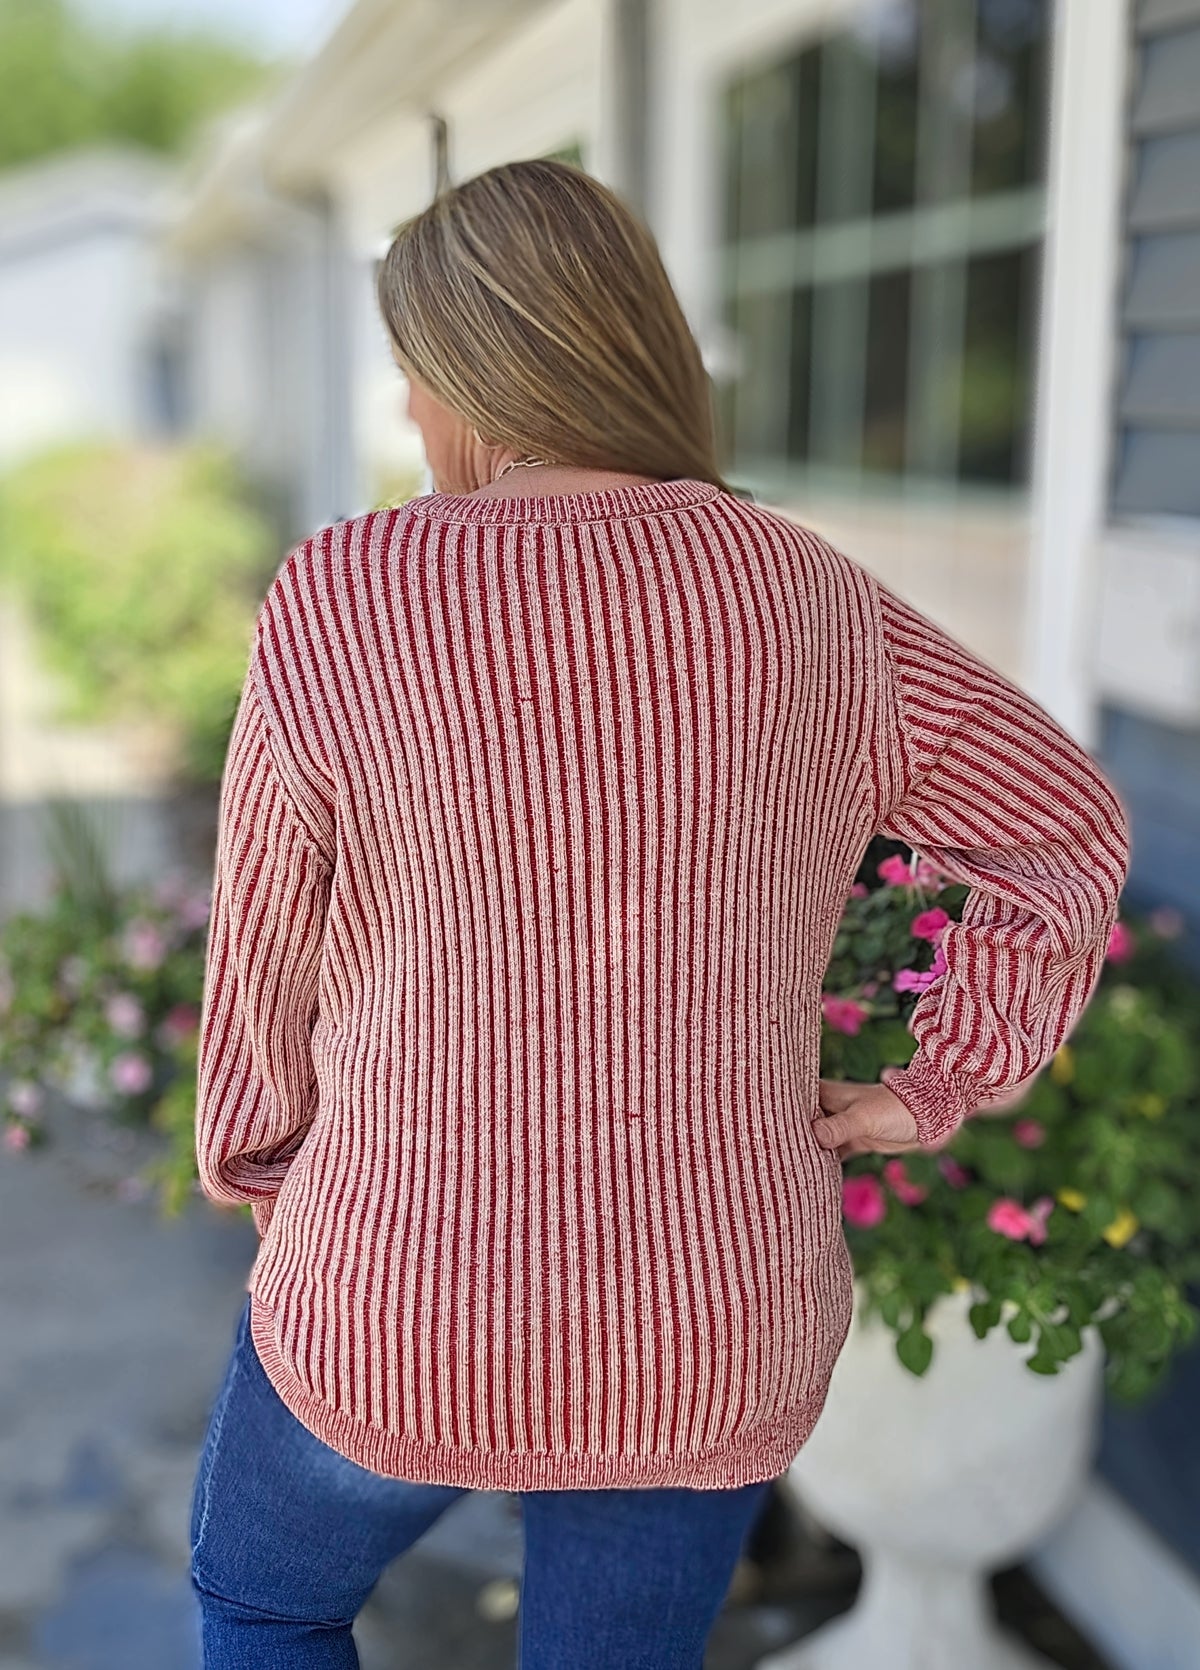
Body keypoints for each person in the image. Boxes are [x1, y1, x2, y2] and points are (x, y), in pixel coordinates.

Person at [188, 158, 1131, 1668]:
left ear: (477, 379)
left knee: (267, 1595)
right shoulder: (809, 595)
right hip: (712, 1307)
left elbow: (264, 940)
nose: (419, 428)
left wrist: (265, 1160)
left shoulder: (344, 594)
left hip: (400, 1276)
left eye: (417, 385)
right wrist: (925, 1086)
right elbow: (1062, 822)